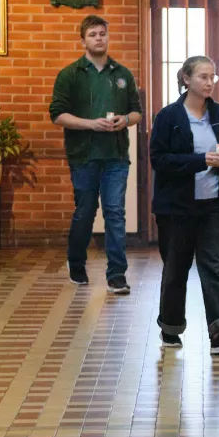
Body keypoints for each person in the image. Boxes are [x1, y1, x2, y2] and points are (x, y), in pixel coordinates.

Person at [149, 56, 219, 355]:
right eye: (202, 76)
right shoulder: (168, 116)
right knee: (176, 268)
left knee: (215, 268)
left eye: (212, 77)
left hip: (213, 205)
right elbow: (159, 160)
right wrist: (201, 160)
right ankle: (171, 326)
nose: (208, 82)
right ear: (186, 79)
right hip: (176, 208)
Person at [50, 15, 142, 294]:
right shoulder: (69, 74)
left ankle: (116, 274)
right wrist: (91, 124)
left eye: (103, 33)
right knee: (85, 211)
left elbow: (137, 112)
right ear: (83, 41)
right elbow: (57, 115)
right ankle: (76, 262)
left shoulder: (123, 74)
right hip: (83, 155)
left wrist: (124, 121)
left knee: (115, 212)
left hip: (115, 155)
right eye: (93, 34)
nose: (99, 38)